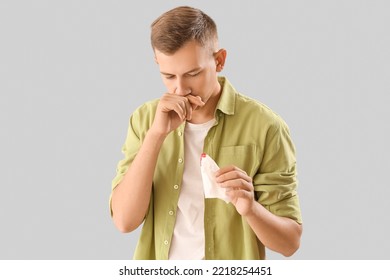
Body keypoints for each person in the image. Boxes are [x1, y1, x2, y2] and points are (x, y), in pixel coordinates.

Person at [110, 6, 302, 260]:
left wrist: (251, 209)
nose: (180, 89)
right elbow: (124, 221)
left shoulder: (266, 127)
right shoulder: (144, 120)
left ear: (219, 60)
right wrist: (156, 135)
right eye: (168, 76)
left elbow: (290, 243)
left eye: (193, 74)